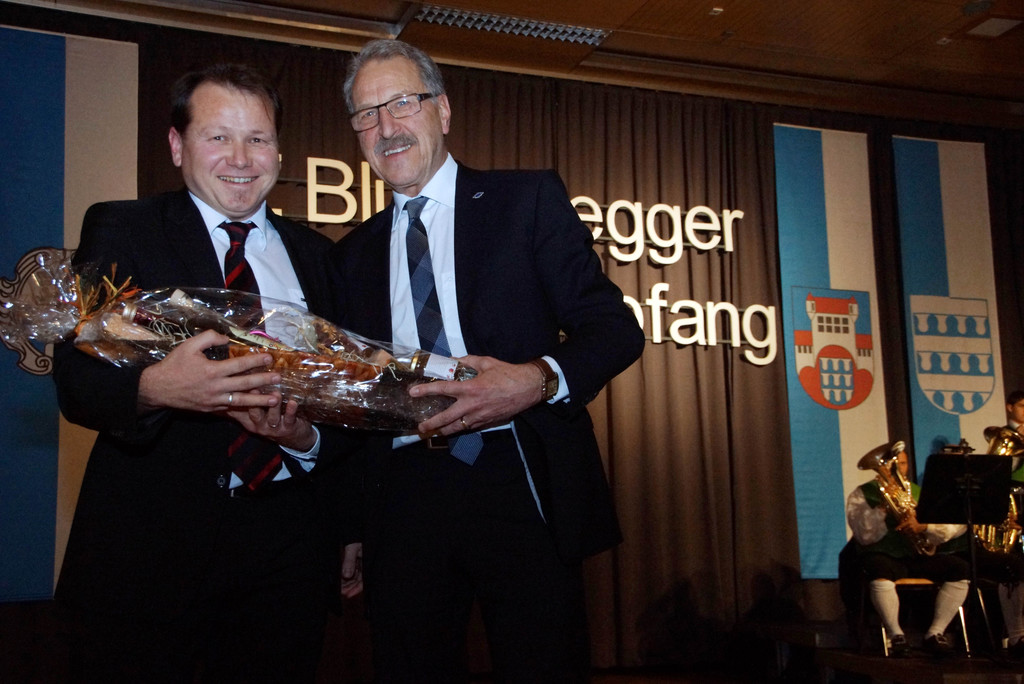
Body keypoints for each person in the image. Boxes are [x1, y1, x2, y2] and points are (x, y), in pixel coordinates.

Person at [329, 39, 646, 681]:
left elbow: (614, 329)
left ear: (442, 110)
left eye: (402, 103)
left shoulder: (525, 201)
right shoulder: (349, 256)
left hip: (516, 473)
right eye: (367, 114)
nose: (387, 127)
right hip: (403, 495)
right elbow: (350, 403)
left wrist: (534, 381)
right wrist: (351, 525)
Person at [53, 63, 359, 682]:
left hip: (289, 551)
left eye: (258, 138)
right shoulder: (124, 228)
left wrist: (306, 440)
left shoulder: (321, 257)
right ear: (177, 145)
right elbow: (76, 381)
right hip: (152, 551)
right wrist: (157, 388)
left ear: (278, 151)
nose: (240, 158)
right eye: (218, 136)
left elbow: (352, 402)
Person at [845, 441, 970, 657]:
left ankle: (935, 632)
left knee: (960, 569)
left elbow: (945, 530)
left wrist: (923, 526)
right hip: (885, 554)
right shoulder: (862, 494)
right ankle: (896, 635)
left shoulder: (920, 492)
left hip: (917, 554)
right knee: (879, 569)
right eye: (891, 465)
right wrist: (883, 508)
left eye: (901, 464)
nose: (896, 469)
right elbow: (864, 536)